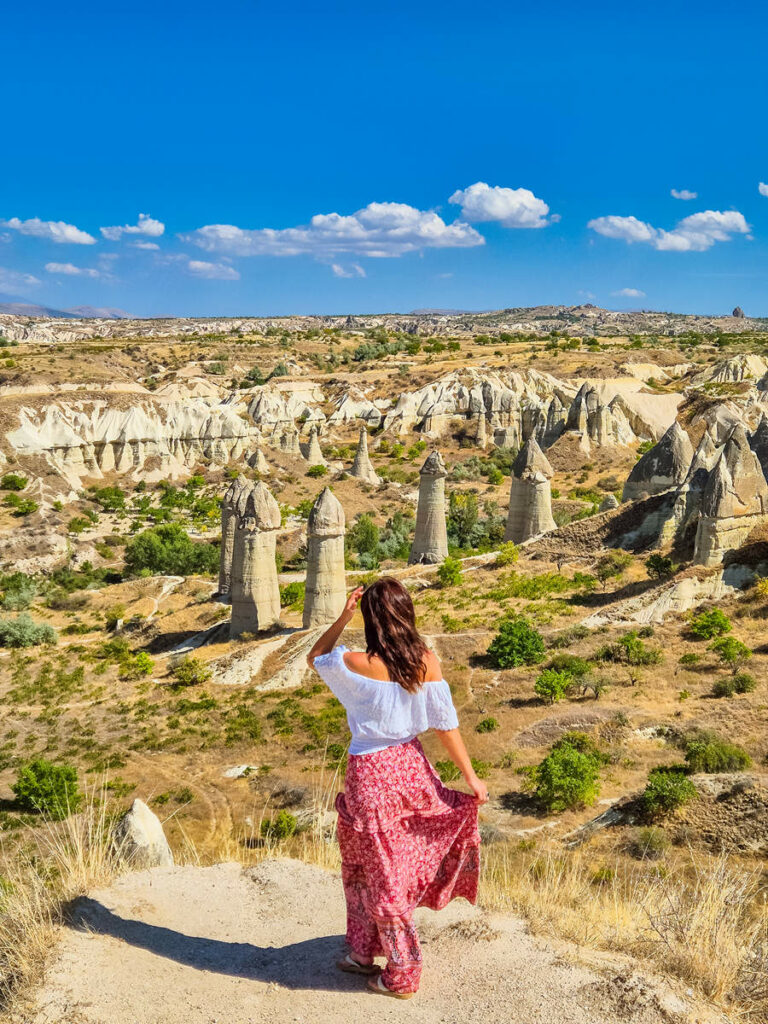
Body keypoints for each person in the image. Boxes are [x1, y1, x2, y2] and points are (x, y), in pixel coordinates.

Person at [307, 577, 487, 999]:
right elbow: (445, 725)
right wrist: (471, 776)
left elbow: (316, 656)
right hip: (411, 768)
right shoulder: (425, 661)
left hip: (370, 775)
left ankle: (403, 973)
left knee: (370, 869)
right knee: (380, 863)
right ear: (406, 614)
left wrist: (343, 616)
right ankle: (362, 952)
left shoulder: (355, 662)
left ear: (371, 618)